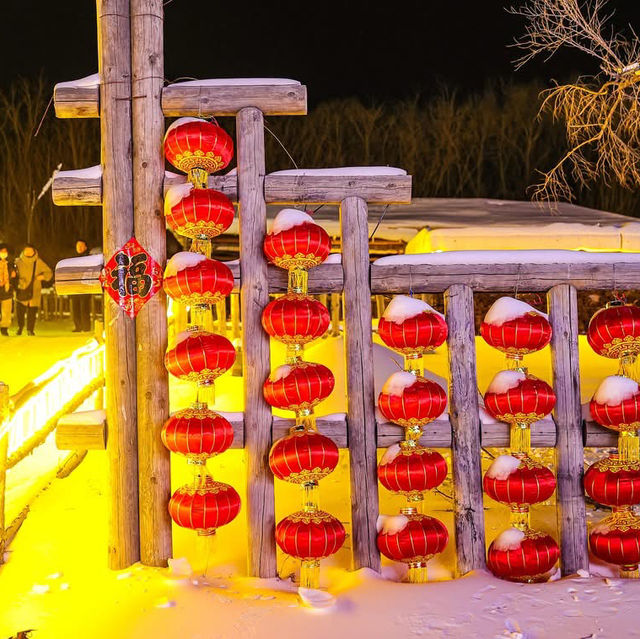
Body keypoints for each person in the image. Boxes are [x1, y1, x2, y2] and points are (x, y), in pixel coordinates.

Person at [14, 244, 52, 336]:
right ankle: (20, 327)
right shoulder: (17, 261)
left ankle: (30, 329)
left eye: (31, 250)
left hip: (34, 289)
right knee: (20, 311)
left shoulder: (38, 262)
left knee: (32, 311)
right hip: (21, 288)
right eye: (26, 250)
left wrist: (42, 277)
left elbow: (49, 272)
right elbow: (12, 272)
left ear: (34, 251)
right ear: (23, 251)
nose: (28, 252)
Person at [71, 239, 92, 332]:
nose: (79, 247)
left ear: (85, 247)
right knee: (75, 307)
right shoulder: (72, 258)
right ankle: (78, 327)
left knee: (84, 308)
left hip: (85, 286)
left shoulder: (89, 257)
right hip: (75, 286)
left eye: (81, 245)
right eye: (77, 245)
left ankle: (86, 327)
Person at [0, 244, 17, 336]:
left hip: (7, 289)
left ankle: (4, 328)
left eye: (5, 252)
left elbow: (15, 277)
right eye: (1, 251)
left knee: (6, 310)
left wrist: (14, 275)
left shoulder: (10, 263)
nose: (3, 254)